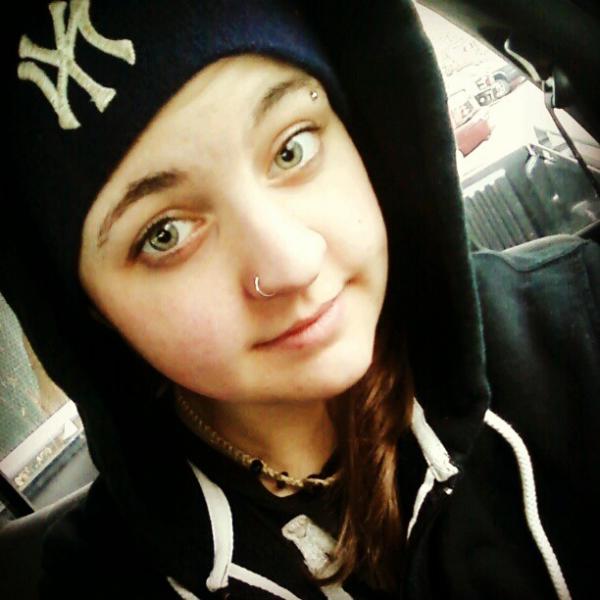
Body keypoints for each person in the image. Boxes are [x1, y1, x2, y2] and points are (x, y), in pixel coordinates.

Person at [4, 1, 598, 598]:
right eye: (165, 234)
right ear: (92, 311)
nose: (292, 263)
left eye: (292, 149)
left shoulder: (576, 329)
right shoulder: (101, 580)